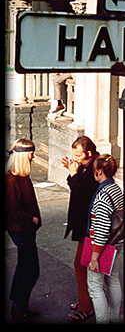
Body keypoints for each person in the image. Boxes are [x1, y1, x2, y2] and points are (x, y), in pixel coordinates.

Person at [61, 136, 99, 322]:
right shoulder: (85, 165)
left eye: (78, 154)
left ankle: (86, 306)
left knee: (81, 265)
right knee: (82, 265)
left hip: (90, 226)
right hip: (85, 225)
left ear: (89, 153)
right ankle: (86, 301)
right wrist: (72, 172)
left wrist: (75, 174)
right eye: (73, 154)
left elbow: (83, 194)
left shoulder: (94, 169)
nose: (75, 158)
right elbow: (75, 187)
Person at [5, 138, 41, 323]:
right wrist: (32, 218)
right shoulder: (12, 180)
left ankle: (20, 306)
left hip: (25, 229)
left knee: (26, 268)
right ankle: (18, 308)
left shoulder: (21, 177)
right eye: (31, 154)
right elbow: (13, 210)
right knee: (30, 269)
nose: (33, 157)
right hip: (21, 230)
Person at [87, 154, 124, 324]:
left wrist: (94, 257)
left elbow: (101, 230)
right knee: (113, 279)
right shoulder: (115, 189)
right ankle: (115, 318)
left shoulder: (102, 196)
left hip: (103, 247)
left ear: (99, 172)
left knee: (95, 286)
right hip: (117, 243)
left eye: (94, 170)